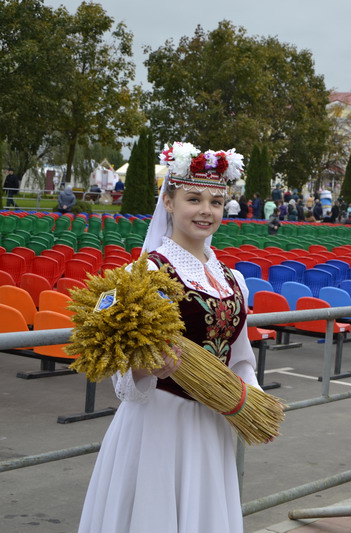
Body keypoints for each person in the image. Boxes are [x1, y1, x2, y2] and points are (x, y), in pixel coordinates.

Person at [78, 142, 258, 533]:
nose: (206, 210)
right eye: (194, 199)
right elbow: (123, 377)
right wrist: (146, 369)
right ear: (169, 202)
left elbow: (240, 356)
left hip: (212, 423)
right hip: (160, 423)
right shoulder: (143, 275)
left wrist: (249, 400)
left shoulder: (232, 279)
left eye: (215, 201)